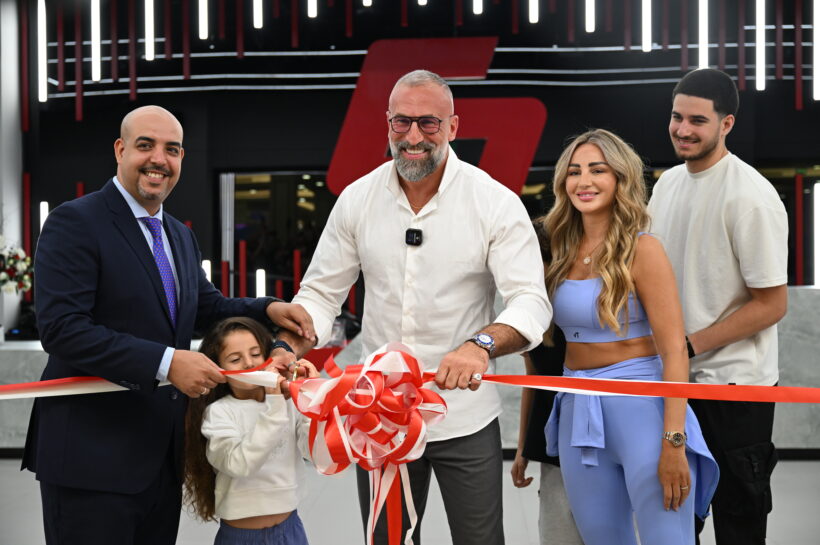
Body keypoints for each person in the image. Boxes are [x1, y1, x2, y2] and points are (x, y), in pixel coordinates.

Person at [274, 70, 552, 545]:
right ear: (387, 124)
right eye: (402, 122)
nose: (414, 137)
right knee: (387, 541)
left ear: (453, 126)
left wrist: (480, 345)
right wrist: (287, 346)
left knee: (481, 540)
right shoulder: (358, 199)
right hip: (378, 415)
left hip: (465, 415)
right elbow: (320, 294)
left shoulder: (494, 202)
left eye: (429, 123)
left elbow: (530, 299)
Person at [22, 105, 314, 545]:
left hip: (161, 459)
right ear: (120, 150)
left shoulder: (178, 234)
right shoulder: (75, 222)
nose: (159, 159)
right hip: (90, 460)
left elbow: (207, 306)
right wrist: (166, 362)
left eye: (172, 149)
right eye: (146, 145)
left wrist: (269, 308)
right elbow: (62, 329)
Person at [542, 128, 719, 545]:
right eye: (574, 172)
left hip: (643, 412)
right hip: (579, 412)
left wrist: (674, 442)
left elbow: (674, 351)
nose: (583, 181)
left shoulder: (644, 249)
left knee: (668, 539)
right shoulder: (560, 250)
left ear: (620, 178)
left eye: (597, 170)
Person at [648, 68, 788, 545]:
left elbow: (772, 304)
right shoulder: (667, 184)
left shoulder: (751, 197)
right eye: (677, 117)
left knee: (738, 526)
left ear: (726, 124)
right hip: (674, 383)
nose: (682, 129)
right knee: (674, 521)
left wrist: (687, 346)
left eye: (697, 121)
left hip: (736, 388)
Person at [183, 317, 318, 545]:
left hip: (290, 530)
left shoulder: (287, 403)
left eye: (256, 354)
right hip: (241, 537)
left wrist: (312, 401)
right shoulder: (219, 413)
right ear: (218, 369)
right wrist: (274, 406)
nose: (248, 363)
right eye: (235, 359)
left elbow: (315, 453)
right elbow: (240, 464)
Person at [511, 220, 583, 545]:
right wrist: (522, 448)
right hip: (553, 446)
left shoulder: (583, 312)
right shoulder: (531, 314)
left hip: (595, 439)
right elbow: (533, 381)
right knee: (557, 533)